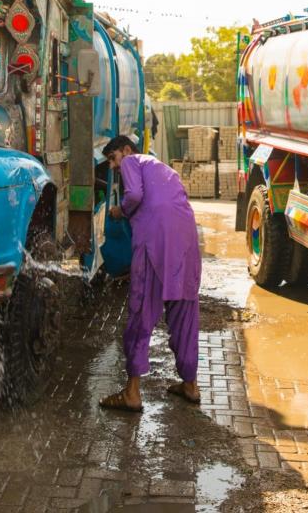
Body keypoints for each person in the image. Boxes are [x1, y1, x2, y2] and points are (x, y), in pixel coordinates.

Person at [98, 135, 202, 412]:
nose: (112, 167)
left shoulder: (133, 160)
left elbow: (134, 195)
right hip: (186, 240)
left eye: (112, 159)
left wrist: (120, 212)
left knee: (142, 310)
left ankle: (132, 392)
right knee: (185, 312)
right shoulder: (162, 168)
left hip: (155, 241)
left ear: (126, 150)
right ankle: (190, 385)